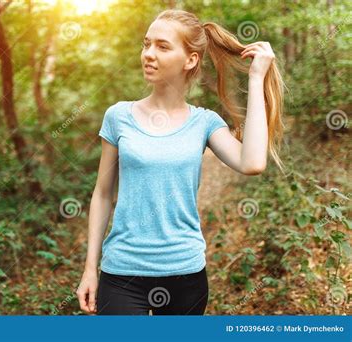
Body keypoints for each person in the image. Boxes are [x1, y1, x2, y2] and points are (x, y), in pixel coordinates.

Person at [76, 9, 285, 315]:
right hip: (121, 272)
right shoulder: (118, 116)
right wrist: (89, 269)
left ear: (190, 60)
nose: (148, 54)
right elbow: (103, 194)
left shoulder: (204, 123)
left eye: (162, 46)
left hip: (184, 274)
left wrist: (256, 79)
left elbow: (252, 162)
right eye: (146, 44)